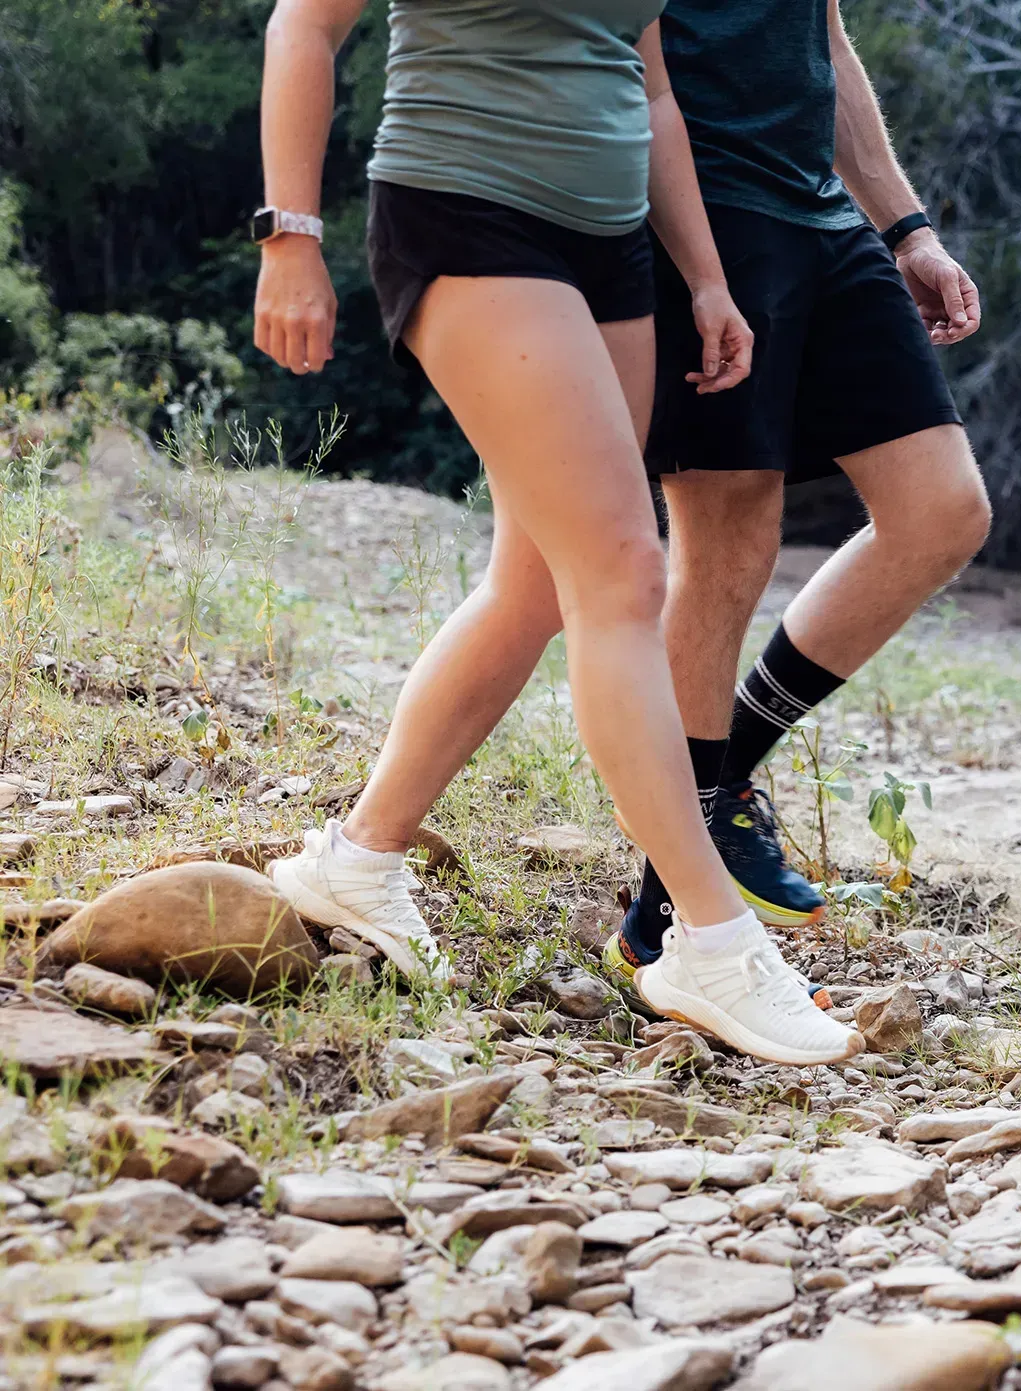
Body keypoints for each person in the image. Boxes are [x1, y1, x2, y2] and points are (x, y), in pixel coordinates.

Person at [252, 0, 862, 1066]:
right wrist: (289, 237)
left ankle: (358, 858)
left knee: (535, 586)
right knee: (625, 569)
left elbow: (654, 83)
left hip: (609, 240)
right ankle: (711, 942)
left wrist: (707, 276)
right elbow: (302, 27)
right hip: (463, 208)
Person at [601, 0, 993, 982]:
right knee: (729, 542)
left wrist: (905, 226)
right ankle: (667, 902)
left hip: (821, 213)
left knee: (941, 511)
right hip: (707, 216)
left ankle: (720, 774)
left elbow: (823, 38)